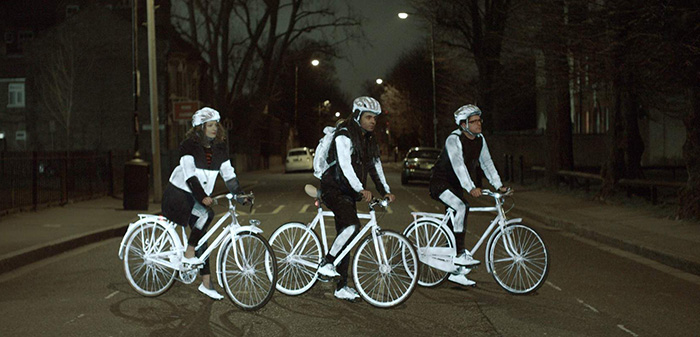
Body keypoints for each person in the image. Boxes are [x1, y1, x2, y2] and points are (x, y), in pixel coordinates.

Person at [316, 96, 396, 302]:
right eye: (369, 117)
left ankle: (341, 287)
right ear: (358, 115)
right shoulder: (344, 135)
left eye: (375, 118)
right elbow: (345, 166)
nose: (373, 122)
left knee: (347, 238)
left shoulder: (369, 139)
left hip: (348, 191)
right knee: (352, 226)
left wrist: (385, 190)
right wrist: (361, 189)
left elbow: (374, 167)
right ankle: (326, 262)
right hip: (333, 188)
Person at [161, 107, 244, 300]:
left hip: (196, 195)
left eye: (216, 125)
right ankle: (189, 253)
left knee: (202, 237)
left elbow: (229, 174)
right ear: (200, 128)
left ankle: (206, 285)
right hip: (179, 194)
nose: (214, 128)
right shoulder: (189, 146)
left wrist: (240, 194)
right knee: (206, 214)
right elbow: (189, 175)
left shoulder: (219, 149)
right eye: (210, 125)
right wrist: (202, 196)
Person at [429, 104, 508, 287]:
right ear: (463, 124)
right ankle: (459, 254)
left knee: (457, 218)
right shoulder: (453, 139)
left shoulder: (479, 139)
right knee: (462, 207)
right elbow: (459, 166)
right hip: (440, 183)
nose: (478, 124)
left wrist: (499, 185)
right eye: (474, 121)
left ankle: (455, 272)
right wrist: (471, 187)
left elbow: (487, 163)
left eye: (479, 120)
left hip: (456, 187)